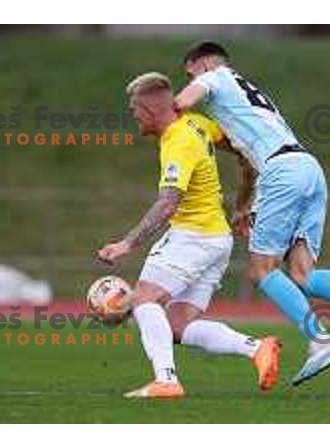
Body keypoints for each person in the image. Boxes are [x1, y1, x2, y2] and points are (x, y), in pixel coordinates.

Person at [174, 41, 330, 386]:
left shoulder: (215, 77)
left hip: (281, 172)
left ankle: (321, 340)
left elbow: (180, 104)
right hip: (307, 167)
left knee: (262, 270)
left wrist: (171, 114)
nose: (188, 80)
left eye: (188, 72)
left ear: (200, 63)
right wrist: (244, 206)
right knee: (302, 274)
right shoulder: (245, 100)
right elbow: (247, 164)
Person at [97, 72, 281, 399]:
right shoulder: (197, 124)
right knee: (177, 326)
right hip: (217, 241)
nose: (133, 116)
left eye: (134, 110)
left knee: (144, 300)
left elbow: (168, 203)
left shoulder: (178, 142)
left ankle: (166, 380)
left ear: (151, 111)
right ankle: (256, 348)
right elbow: (243, 149)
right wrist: (243, 202)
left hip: (191, 237)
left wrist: (126, 244)